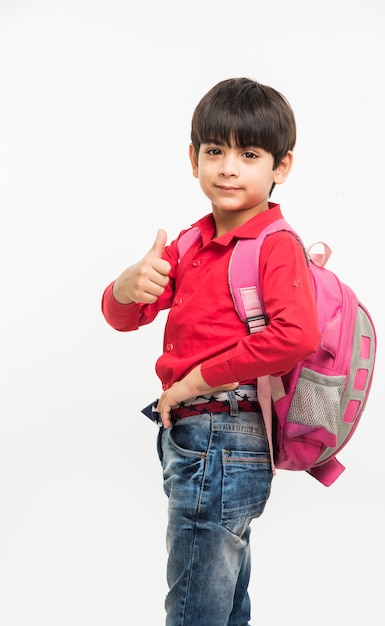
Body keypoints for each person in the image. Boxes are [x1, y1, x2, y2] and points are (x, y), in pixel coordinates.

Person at [101, 77, 320, 626]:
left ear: (281, 167)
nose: (228, 167)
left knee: (195, 605)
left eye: (249, 154)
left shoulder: (274, 244)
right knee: (221, 603)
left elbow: (296, 335)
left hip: (224, 433)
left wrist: (197, 380)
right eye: (214, 151)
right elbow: (125, 318)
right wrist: (126, 288)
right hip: (196, 439)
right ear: (193, 157)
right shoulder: (190, 243)